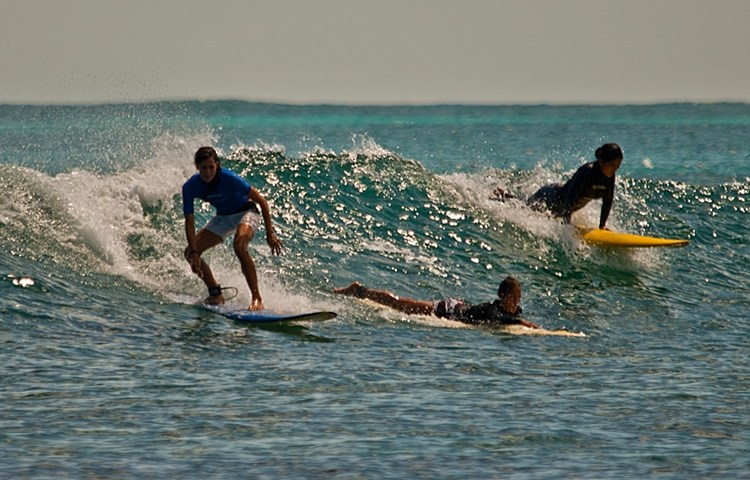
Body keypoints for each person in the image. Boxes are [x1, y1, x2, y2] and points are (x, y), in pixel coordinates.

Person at [182, 146, 283, 310]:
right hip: (223, 217)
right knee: (189, 252)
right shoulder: (190, 187)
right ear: (197, 168)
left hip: (246, 211)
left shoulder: (228, 178)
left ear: (217, 165)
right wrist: (194, 254)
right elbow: (189, 222)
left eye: (211, 167)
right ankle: (215, 293)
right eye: (203, 168)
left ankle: (257, 298)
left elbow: (262, 201)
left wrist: (269, 233)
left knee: (239, 246)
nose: (208, 172)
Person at [493, 143, 623, 229]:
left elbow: (607, 201)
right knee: (526, 207)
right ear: (601, 162)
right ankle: (502, 197)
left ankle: (506, 195)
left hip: (560, 208)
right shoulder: (587, 172)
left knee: (527, 204)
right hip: (550, 198)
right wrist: (567, 224)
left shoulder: (609, 177)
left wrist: (602, 226)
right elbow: (571, 197)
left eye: (618, 166)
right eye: (613, 165)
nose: (615, 169)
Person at [333, 276, 540, 329]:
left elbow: (510, 317)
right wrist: (523, 324)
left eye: (518, 299)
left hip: (459, 305)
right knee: (401, 304)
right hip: (447, 309)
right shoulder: (494, 309)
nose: (516, 303)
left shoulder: (512, 312)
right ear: (502, 296)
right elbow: (499, 318)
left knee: (403, 304)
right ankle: (360, 291)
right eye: (513, 298)